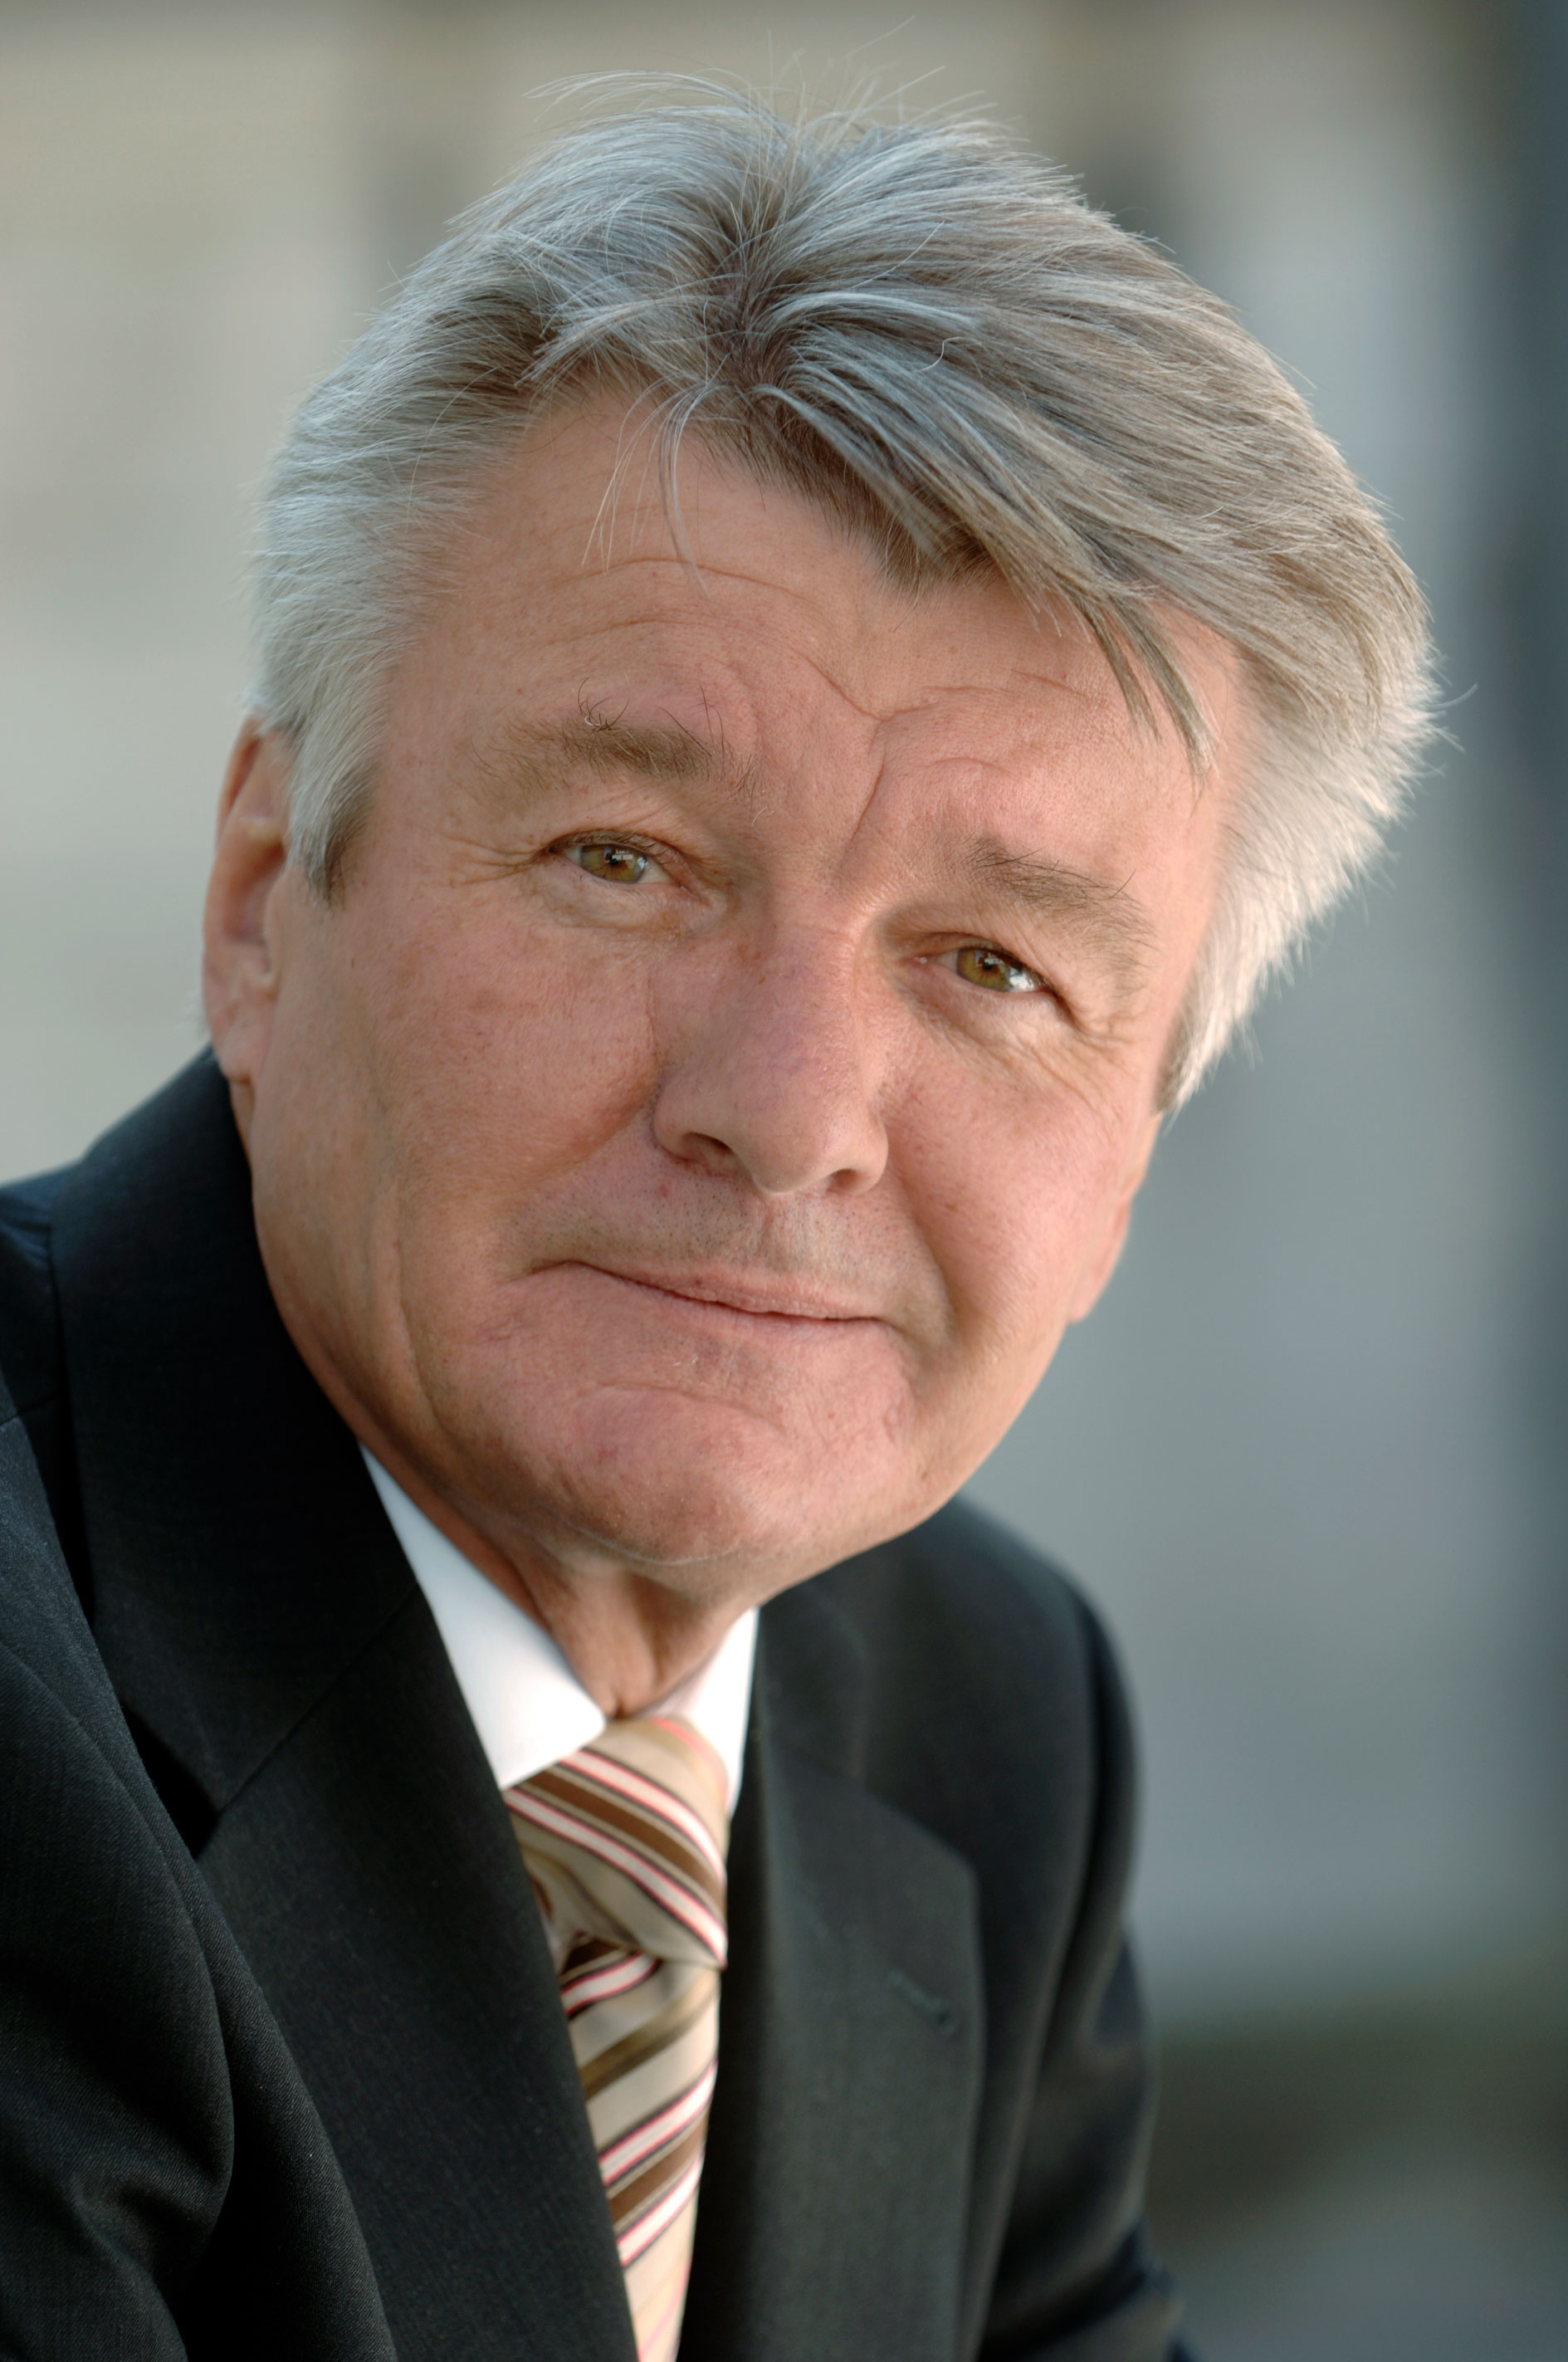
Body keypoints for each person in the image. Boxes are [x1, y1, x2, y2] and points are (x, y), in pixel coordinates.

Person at [0, 89, 1430, 2362]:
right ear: (268, 902)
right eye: (624, 861)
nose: (784, 1116)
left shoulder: (980, 1719)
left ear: (1130, 1155)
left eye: (995, 970)